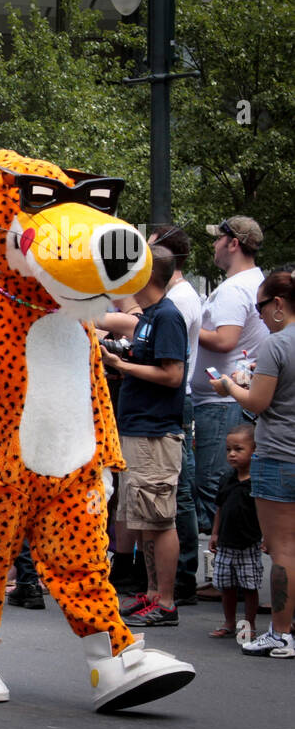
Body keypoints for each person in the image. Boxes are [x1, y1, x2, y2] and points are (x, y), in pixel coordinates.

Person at [208, 270, 295, 657]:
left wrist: (229, 387)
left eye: (261, 307)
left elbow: (258, 403)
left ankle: (280, 632)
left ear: (278, 304)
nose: (258, 316)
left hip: (278, 454)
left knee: (283, 550)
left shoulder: (278, 345)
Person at [103, 246, 189, 627]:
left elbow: (173, 375)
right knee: (142, 518)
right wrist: (124, 366)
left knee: (159, 519)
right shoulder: (150, 316)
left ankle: (166, 601)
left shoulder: (168, 316)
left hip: (156, 433)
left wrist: (122, 365)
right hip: (138, 429)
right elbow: (150, 366)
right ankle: (153, 593)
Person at [192, 216, 267, 532]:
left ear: (233, 243)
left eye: (217, 239)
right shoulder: (255, 282)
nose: (213, 245)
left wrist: (189, 325)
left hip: (220, 402)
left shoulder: (235, 289)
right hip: (230, 399)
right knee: (224, 485)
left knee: (212, 486)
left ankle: (217, 571)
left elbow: (225, 340)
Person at [151, 224, 204, 606]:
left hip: (173, 403)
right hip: (167, 403)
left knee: (176, 493)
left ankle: (182, 575)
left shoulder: (179, 301)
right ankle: (166, 580)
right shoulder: (173, 298)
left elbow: (171, 366)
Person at [206, 425, 262, 639]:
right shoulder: (227, 478)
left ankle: (250, 625)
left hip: (249, 543)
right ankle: (229, 622)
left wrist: (266, 538)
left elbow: (264, 512)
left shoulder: (257, 480)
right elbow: (220, 507)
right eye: (228, 449)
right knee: (226, 585)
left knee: (249, 586)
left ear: (254, 450)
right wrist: (215, 533)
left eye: (238, 449)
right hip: (226, 543)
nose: (232, 454)